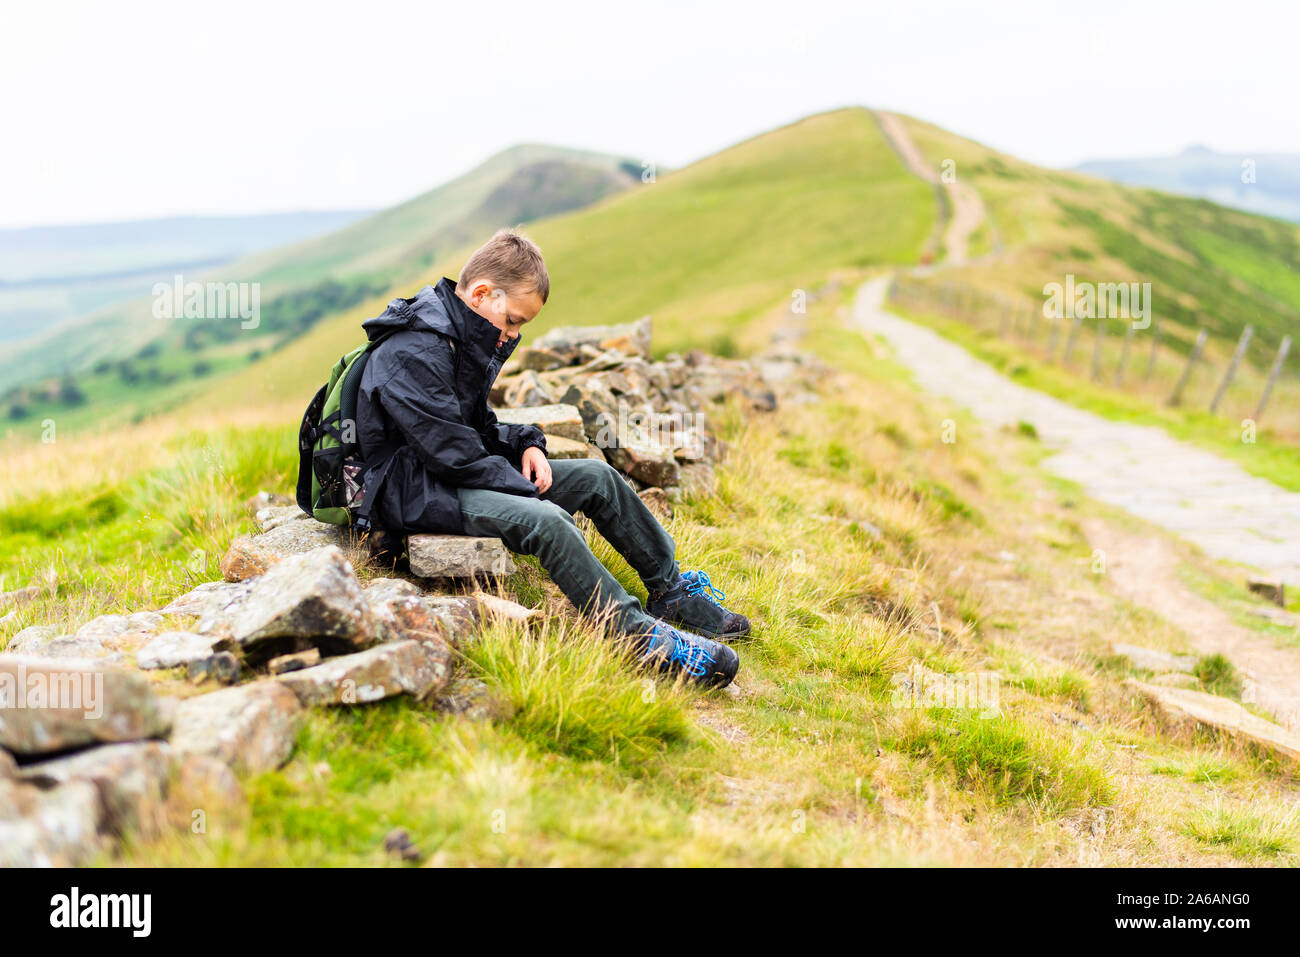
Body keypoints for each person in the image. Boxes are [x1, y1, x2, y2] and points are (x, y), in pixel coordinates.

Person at [354, 229, 746, 687]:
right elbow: (453, 455)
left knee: (597, 477)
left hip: (442, 473)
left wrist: (527, 444)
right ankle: (636, 637)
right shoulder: (415, 350)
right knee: (547, 521)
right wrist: (528, 492)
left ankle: (671, 591)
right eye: (514, 321)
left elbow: (474, 427)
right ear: (482, 294)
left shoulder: (457, 337)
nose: (513, 336)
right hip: (407, 491)